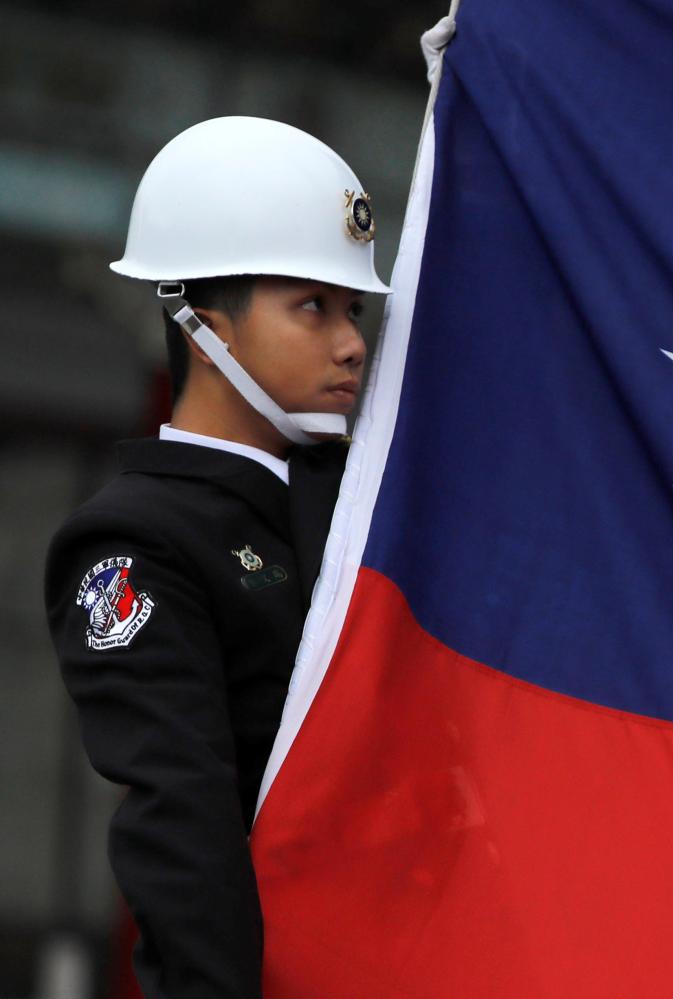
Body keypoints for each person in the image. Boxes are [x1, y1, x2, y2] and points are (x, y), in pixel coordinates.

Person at [42, 116, 391, 998]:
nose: (351, 340)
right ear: (203, 323)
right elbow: (184, 827)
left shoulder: (364, 501)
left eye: (353, 309)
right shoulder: (135, 542)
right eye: (312, 305)